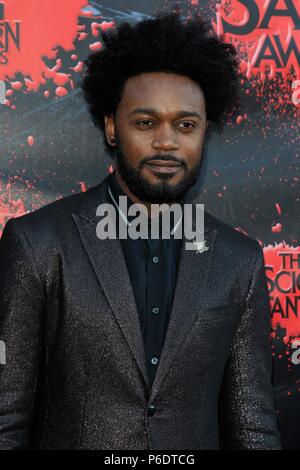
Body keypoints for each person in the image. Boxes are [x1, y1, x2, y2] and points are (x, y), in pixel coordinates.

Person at [0, 12, 281, 449]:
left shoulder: (238, 260)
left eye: (185, 125)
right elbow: (6, 419)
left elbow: (254, 428)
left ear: (204, 132)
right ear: (113, 126)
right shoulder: (38, 243)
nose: (166, 142)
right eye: (146, 123)